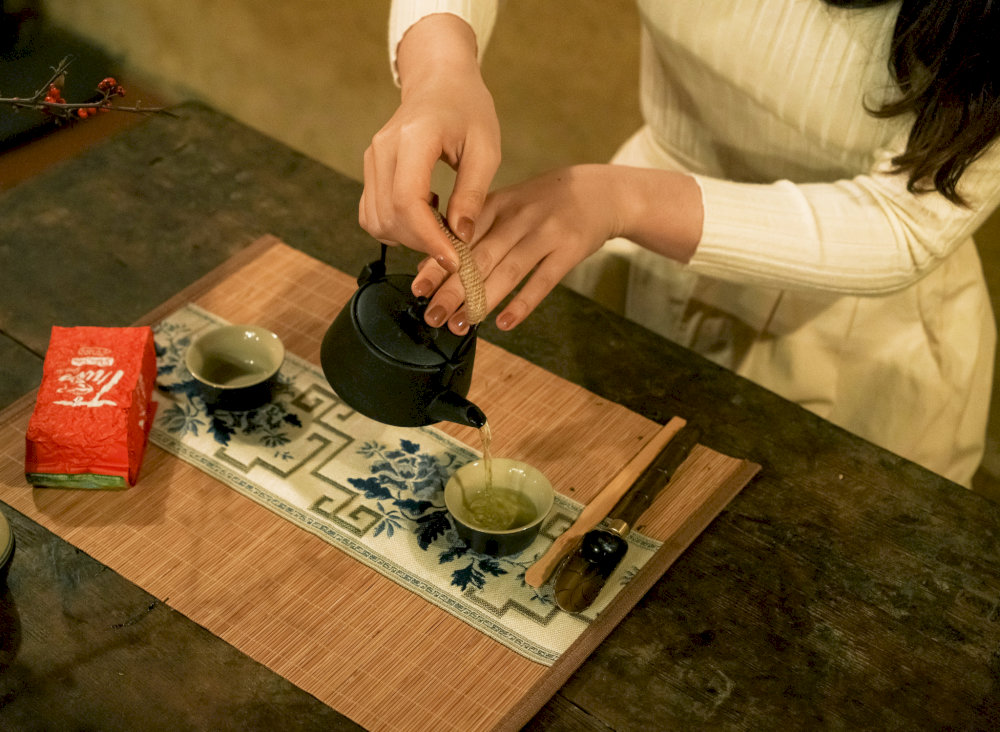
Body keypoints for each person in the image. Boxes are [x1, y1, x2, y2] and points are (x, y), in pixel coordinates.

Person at [359, 0, 1000, 488]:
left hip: (847, 323)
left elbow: (907, 220)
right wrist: (438, 62)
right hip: (637, 250)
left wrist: (626, 201)